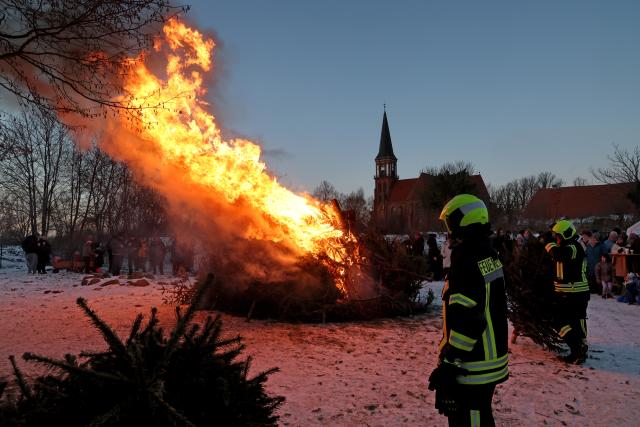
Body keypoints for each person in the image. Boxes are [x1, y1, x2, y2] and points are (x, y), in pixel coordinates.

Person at [428, 194, 508, 426]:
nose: (448, 231)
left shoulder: (466, 259)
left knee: (469, 418)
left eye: (449, 224)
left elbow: (468, 318)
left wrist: (451, 363)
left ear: (460, 222)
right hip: (491, 357)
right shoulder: (489, 255)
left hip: (474, 363)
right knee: (481, 414)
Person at [544, 220, 590, 364]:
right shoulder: (572, 245)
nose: (556, 239)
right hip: (573, 292)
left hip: (573, 293)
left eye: (557, 236)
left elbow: (558, 255)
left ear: (564, 235)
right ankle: (581, 346)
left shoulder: (573, 247)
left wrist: (548, 242)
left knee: (558, 321)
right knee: (577, 321)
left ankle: (576, 349)